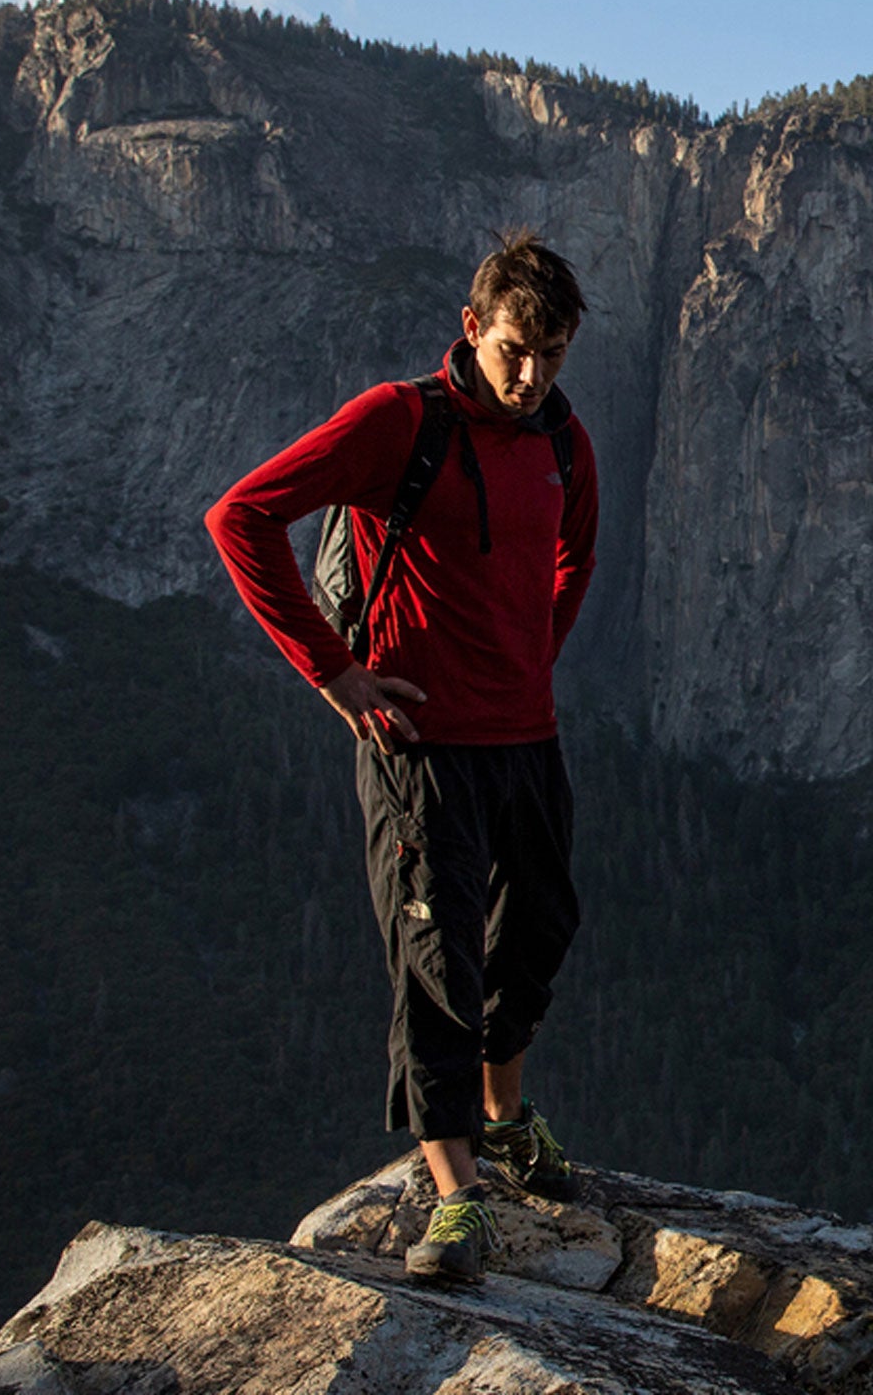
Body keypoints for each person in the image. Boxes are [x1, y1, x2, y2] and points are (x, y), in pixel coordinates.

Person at [205, 231, 598, 1284]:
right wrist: (335, 675)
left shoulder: (562, 440)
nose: (532, 375)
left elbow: (576, 553)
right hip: (416, 747)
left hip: (525, 739)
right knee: (437, 966)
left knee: (540, 929)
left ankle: (504, 1116)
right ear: (472, 329)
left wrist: (527, 660)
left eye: (553, 355)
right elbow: (240, 516)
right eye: (517, 348)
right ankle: (457, 1194)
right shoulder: (397, 424)